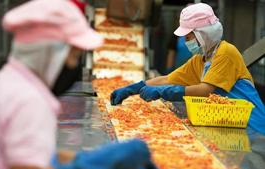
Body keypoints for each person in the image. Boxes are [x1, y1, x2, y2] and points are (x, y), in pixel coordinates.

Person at [0, 0, 159, 169]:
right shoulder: (29, 99)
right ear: (50, 53)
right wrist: (101, 164)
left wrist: (93, 158)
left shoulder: (5, 81)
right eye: (74, 56)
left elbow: (29, 158)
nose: (74, 64)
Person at [110, 3, 265, 135]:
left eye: (188, 37)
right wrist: (134, 88)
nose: (185, 42)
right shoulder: (201, 59)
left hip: (253, 128)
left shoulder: (226, 53)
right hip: (230, 126)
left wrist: (164, 92)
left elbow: (206, 90)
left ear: (204, 34)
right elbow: (167, 79)